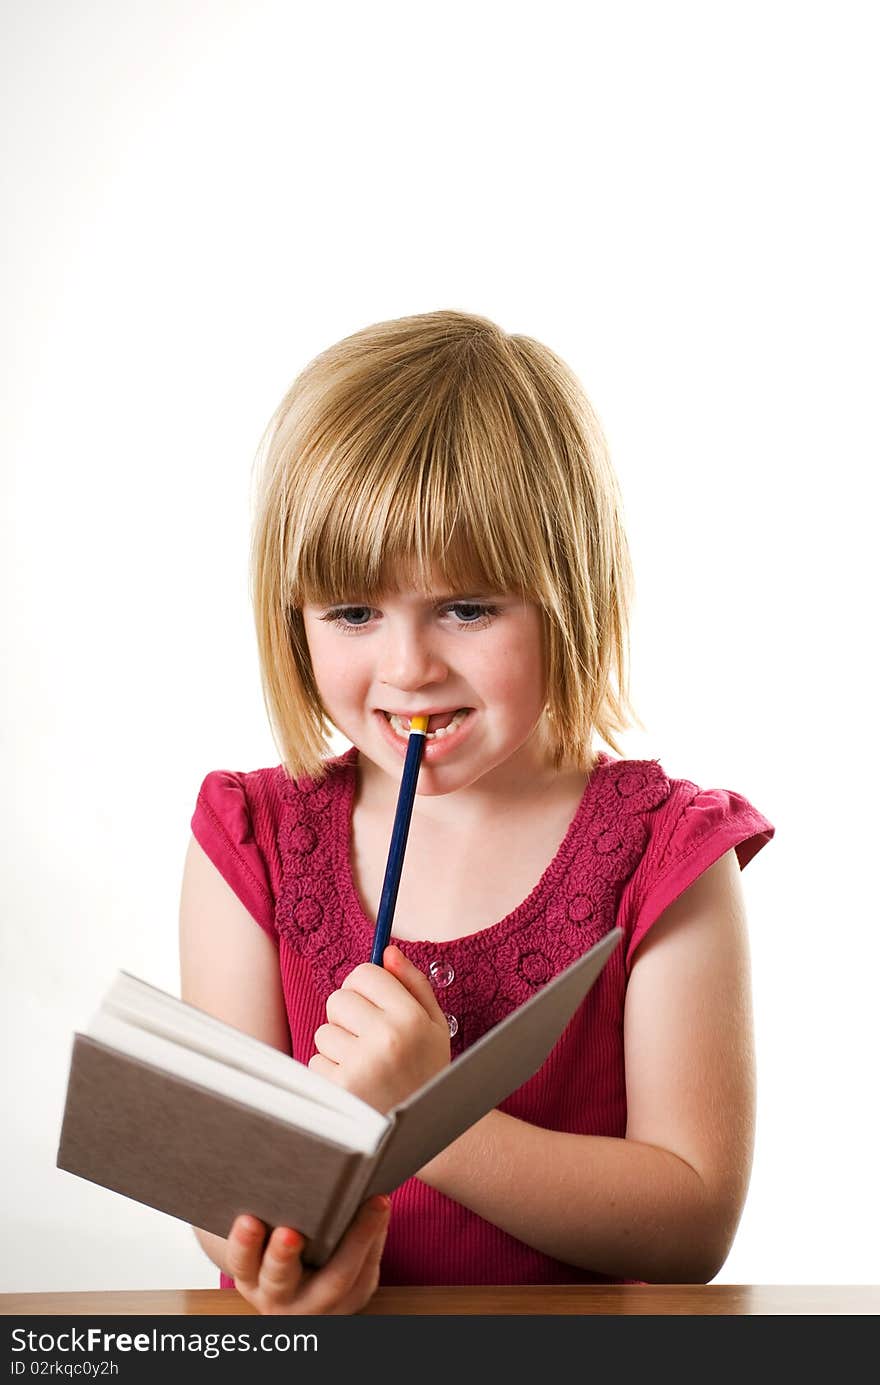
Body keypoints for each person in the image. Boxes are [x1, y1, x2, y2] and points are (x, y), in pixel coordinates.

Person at [179, 309, 775, 1314]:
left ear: (570, 595)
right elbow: (222, 1199)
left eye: (467, 607)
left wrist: (427, 1111)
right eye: (353, 611)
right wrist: (278, 1254)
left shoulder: (667, 855)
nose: (408, 668)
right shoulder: (253, 843)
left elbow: (692, 1221)